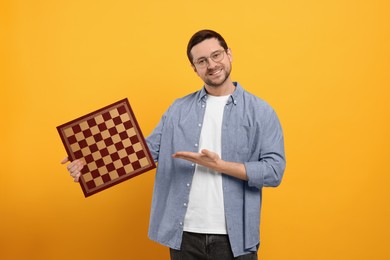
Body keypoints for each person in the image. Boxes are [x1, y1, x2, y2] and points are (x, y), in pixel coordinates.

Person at [62, 29, 286, 260]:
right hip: (185, 235)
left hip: (236, 238)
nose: (211, 64)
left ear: (229, 54)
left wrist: (221, 166)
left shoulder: (261, 112)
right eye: (202, 61)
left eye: (216, 55)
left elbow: (274, 171)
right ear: (195, 68)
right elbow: (144, 151)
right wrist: (87, 159)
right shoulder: (178, 110)